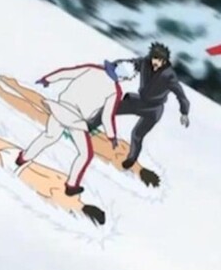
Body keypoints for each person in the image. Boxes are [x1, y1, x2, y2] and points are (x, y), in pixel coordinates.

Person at [16, 59, 138, 196]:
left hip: (60, 108)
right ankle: (71, 186)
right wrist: (111, 136)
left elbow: (67, 73)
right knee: (85, 154)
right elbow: (106, 117)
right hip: (76, 120)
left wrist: (47, 79)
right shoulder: (115, 91)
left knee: (49, 136)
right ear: (123, 77)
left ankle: (23, 158)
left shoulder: (92, 69)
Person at [88, 42, 190, 169]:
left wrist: (184, 112)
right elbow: (129, 64)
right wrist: (111, 66)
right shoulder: (145, 63)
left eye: (159, 60)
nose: (155, 62)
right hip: (139, 101)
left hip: (153, 110)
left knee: (137, 134)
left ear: (164, 61)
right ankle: (89, 126)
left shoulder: (169, 76)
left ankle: (131, 159)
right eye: (154, 58)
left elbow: (180, 95)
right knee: (109, 109)